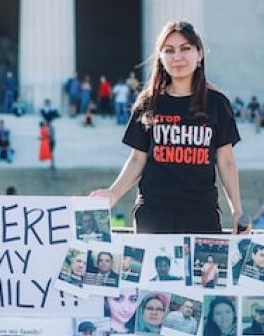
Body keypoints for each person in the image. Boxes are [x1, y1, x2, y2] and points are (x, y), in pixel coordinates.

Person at [90, 21, 244, 233]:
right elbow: (137, 158)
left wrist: (237, 210)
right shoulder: (149, 102)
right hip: (153, 212)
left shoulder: (217, 104)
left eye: (185, 48)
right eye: (169, 50)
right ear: (161, 58)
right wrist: (114, 192)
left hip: (201, 213)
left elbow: (226, 161)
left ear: (199, 54)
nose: (177, 57)